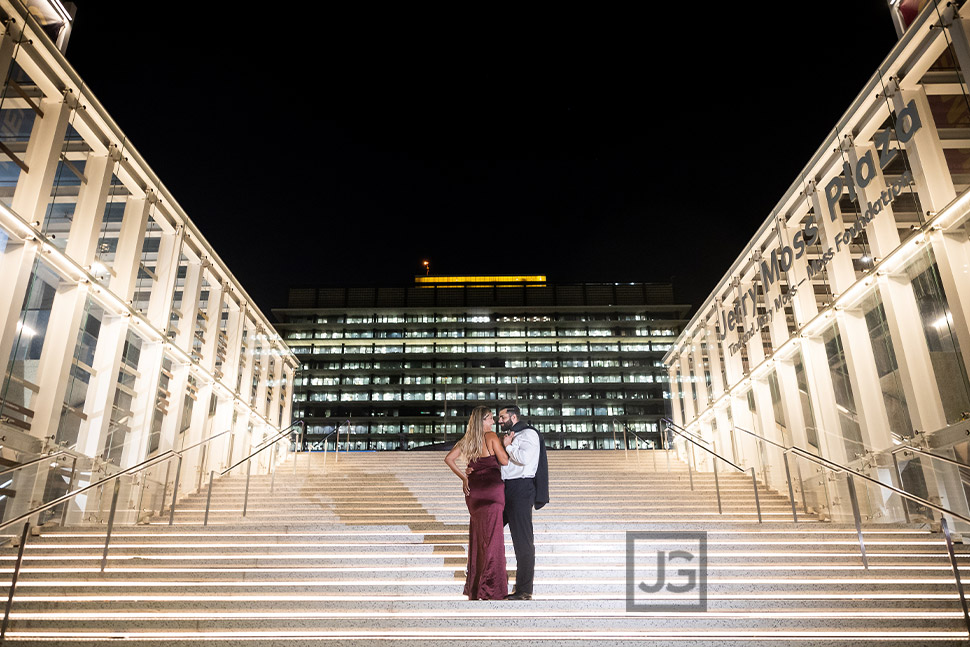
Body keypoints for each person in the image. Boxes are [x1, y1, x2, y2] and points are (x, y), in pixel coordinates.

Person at [444, 406, 510, 600]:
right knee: (493, 537)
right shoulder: (491, 436)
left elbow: (449, 459)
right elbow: (504, 461)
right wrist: (505, 444)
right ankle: (491, 587)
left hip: (474, 491)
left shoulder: (467, 440)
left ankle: (476, 587)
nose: (492, 422)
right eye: (489, 418)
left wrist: (464, 478)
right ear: (482, 421)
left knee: (478, 536)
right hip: (492, 490)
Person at [496, 404, 549, 601]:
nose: (499, 421)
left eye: (502, 417)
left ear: (514, 417)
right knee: (489, 530)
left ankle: (524, 590)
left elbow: (525, 459)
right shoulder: (510, 435)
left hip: (521, 489)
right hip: (505, 490)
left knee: (523, 542)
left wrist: (509, 445)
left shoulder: (528, 434)